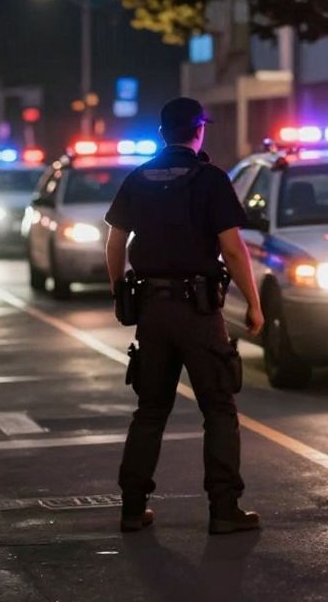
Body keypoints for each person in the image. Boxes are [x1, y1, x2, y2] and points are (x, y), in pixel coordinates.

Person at [104, 97, 264, 536]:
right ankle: (224, 509)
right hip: (198, 311)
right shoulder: (210, 179)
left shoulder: (139, 178)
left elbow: (115, 244)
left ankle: (133, 509)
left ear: (161, 133)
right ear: (198, 130)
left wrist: (121, 292)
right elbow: (232, 248)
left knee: (151, 410)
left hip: (152, 311)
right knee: (218, 408)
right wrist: (254, 302)